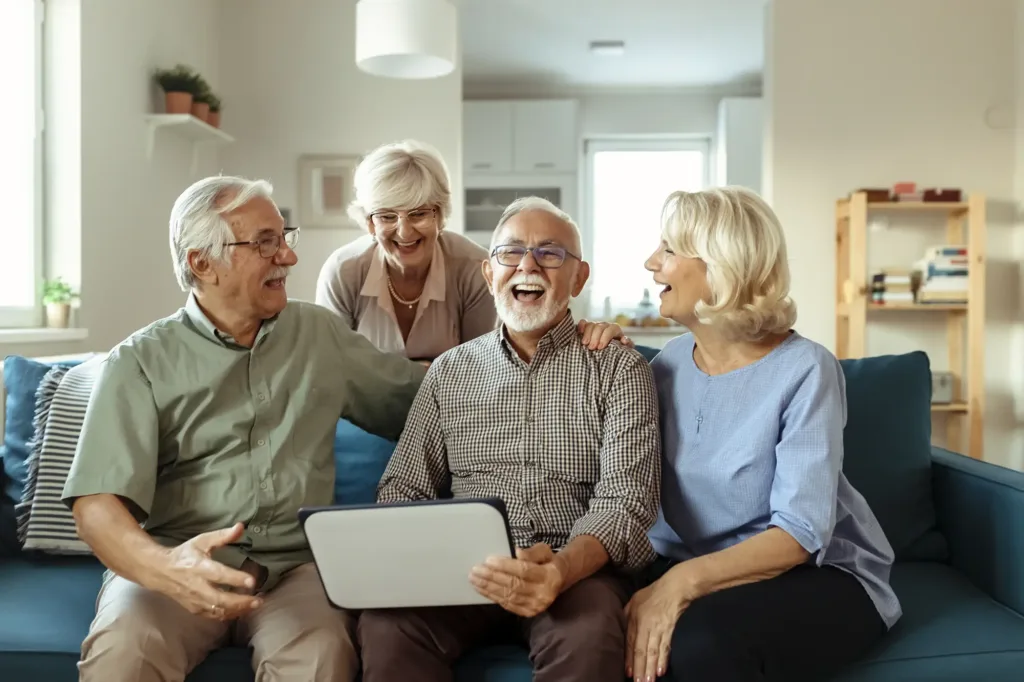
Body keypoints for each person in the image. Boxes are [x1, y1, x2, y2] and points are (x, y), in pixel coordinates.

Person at [61, 175, 427, 682]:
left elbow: (423, 397)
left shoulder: (318, 335)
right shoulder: (140, 361)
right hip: (177, 561)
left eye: (283, 237)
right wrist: (167, 571)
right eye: (264, 243)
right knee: (124, 654)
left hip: (297, 570)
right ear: (201, 262)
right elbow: (96, 506)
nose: (288, 258)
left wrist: (532, 344)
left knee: (320, 661)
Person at [357, 196, 663, 682]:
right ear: (487, 272)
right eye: (511, 252)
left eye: (550, 253)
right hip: (464, 571)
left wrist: (559, 570)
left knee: (589, 637)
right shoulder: (450, 372)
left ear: (579, 278)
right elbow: (403, 489)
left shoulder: (618, 368)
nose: (528, 265)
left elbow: (627, 502)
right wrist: (437, 554)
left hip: (576, 570)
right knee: (387, 628)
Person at [625, 186, 900, 682]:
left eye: (667, 250)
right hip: (698, 567)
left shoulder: (806, 369)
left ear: (719, 264)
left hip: (815, 573)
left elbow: (799, 535)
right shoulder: (663, 367)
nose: (651, 263)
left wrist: (680, 584)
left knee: (700, 648)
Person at [315, 139, 627, 360]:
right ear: (369, 223)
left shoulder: (472, 268)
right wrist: (420, 373)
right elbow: (332, 371)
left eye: (419, 213)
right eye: (386, 216)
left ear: (440, 215)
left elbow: (478, 367)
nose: (404, 231)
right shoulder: (343, 271)